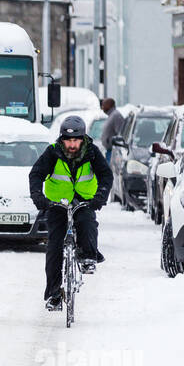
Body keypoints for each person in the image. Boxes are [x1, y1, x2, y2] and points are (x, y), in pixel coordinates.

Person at [30, 115, 114, 311]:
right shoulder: (52, 153)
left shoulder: (92, 152)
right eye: (68, 140)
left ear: (82, 138)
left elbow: (105, 175)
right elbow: (36, 174)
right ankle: (53, 295)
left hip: (85, 200)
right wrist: (39, 198)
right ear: (62, 139)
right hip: (57, 204)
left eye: (76, 140)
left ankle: (88, 257)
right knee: (54, 248)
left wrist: (100, 196)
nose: (72, 144)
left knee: (87, 222)